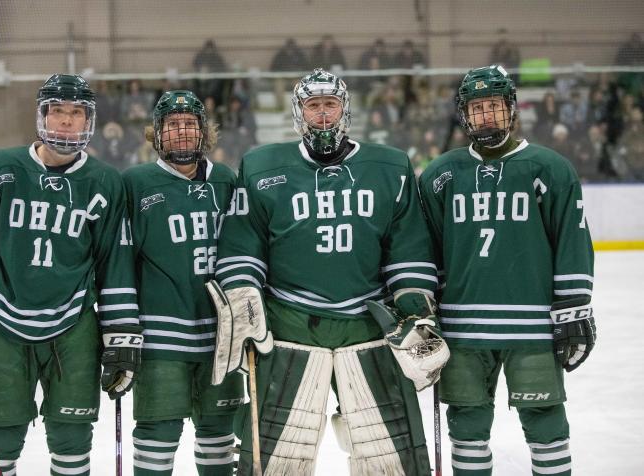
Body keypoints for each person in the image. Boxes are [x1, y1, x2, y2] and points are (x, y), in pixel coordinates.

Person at [208, 68, 447, 475]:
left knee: (388, 458)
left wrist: (416, 313)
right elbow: (243, 244)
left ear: (345, 110)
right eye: (313, 105)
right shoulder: (261, 166)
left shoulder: (389, 167)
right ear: (299, 113)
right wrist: (245, 298)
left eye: (330, 105)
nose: (322, 115)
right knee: (278, 459)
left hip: (369, 328)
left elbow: (407, 250)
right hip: (291, 328)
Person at [0, 74, 142, 475]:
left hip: (74, 327)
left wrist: (121, 333)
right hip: (1, 322)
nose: (67, 121)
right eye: (58, 111)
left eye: (77, 113)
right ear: (42, 115)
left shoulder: (104, 183)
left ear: (89, 121)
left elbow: (113, 264)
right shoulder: (1, 169)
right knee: (0, 436)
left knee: (72, 436)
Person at [418, 65, 596, 476]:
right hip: (463, 328)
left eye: (494, 107)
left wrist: (574, 306)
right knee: (467, 426)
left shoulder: (548, 168)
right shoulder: (441, 175)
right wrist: (423, 305)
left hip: (531, 326)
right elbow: (426, 248)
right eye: (477, 109)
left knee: (546, 423)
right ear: (464, 115)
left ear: (511, 109)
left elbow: (572, 237)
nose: (486, 118)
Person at [122, 90, 243, 475]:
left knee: (219, 434)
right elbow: (119, 262)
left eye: (190, 124)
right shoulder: (135, 184)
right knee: (158, 434)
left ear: (205, 132)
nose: (181, 131)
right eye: (172, 125)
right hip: (160, 337)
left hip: (222, 339)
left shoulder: (227, 180)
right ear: (156, 133)